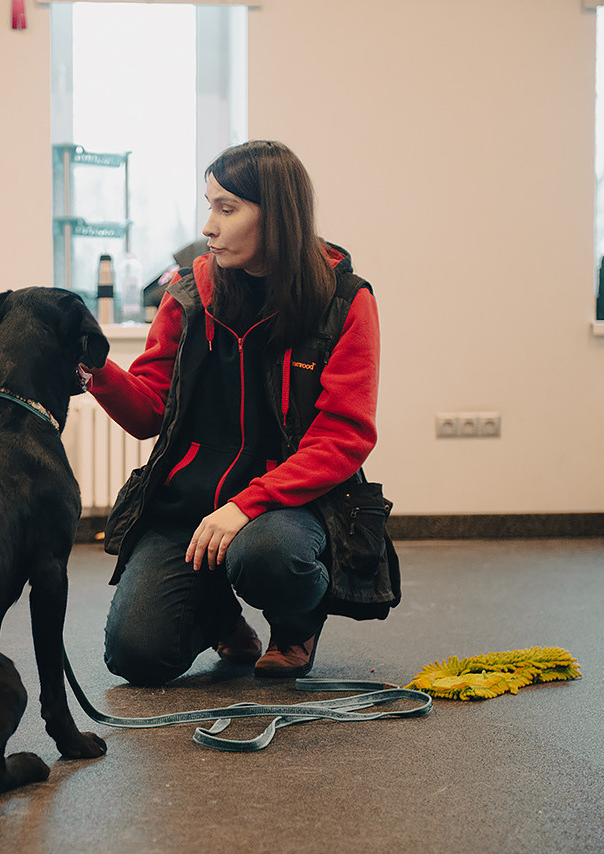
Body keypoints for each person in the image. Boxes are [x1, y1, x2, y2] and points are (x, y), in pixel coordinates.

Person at [86, 140, 383, 686]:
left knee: (267, 555)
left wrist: (247, 505)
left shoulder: (344, 301)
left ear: (278, 216)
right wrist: (95, 370)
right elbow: (151, 412)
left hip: (287, 507)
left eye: (227, 209)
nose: (209, 227)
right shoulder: (187, 295)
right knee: (137, 657)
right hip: (190, 504)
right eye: (210, 207)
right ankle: (220, 617)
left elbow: (343, 436)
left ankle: (294, 629)